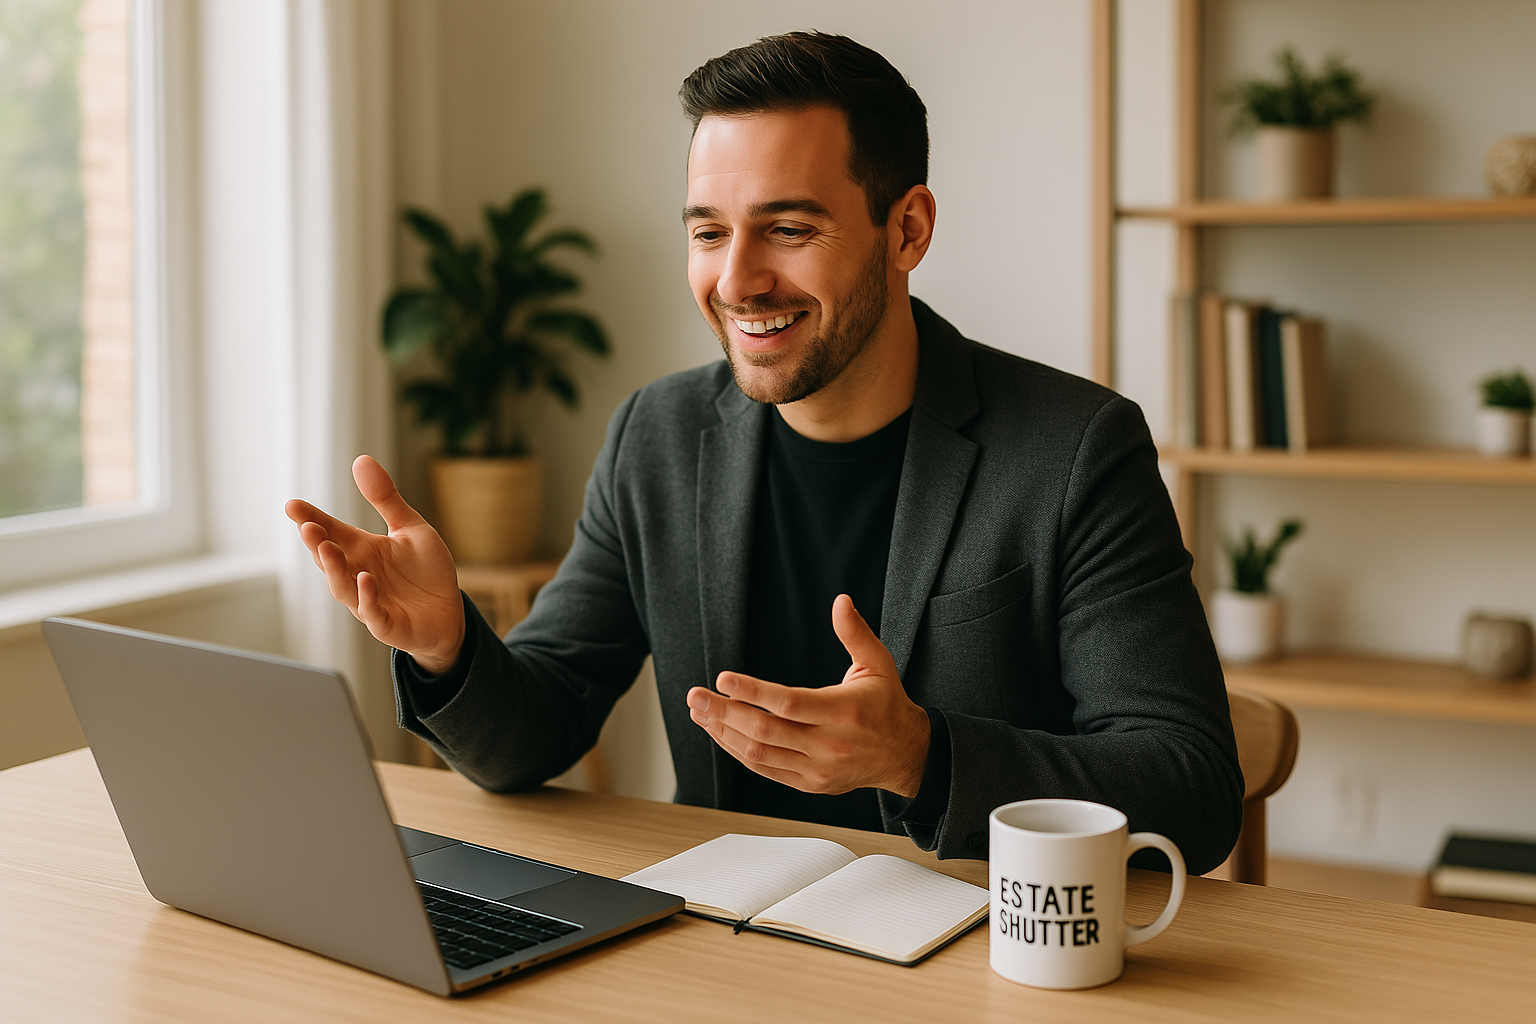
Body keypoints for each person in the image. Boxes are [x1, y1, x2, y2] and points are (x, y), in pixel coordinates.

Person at [287, 32, 1243, 871]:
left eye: (788, 229)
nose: (737, 280)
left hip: (978, 955)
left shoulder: (1075, 450)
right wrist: (448, 647)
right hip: (721, 946)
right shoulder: (655, 437)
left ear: (907, 229)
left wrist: (923, 757)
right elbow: (533, 732)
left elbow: (1191, 787)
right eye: (710, 232)